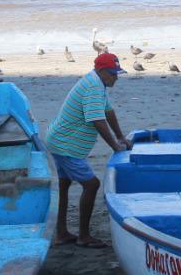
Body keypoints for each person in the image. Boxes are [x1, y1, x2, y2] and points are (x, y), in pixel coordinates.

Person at [48, 52, 131, 247]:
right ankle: (83, 236)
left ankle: (61, 233)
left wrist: (120, 136)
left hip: (59, 141)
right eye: (113, 73)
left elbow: (108, 111)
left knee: (65, 183)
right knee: (91, 185)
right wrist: (114, 146)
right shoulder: (93, 86)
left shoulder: (97, 83)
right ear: (102, 71)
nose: (116, 78)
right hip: (66, 145)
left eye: (117, 73)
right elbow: (96, 119)